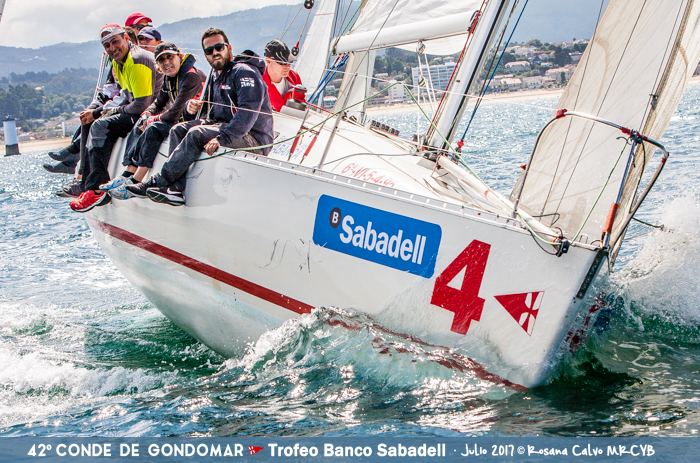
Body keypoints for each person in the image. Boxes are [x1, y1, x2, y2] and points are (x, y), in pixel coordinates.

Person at [126, 28, 273, 206]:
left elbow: (248, 112)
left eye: (219, 47)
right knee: (177, 129)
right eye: (209, 50)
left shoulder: (244, 72)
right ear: (205, 54)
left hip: (254, 138)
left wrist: (222, 138)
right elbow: (210, 114)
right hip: (225, 126)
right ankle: (175, 189)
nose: (215, 52)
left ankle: (159, 181)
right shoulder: (215, 74)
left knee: (196, 133)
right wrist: (190, 109)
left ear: (229, 48)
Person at [69, 24, 160, 212]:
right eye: (107, 45)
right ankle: (84, 182)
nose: (112, 48)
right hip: (137, 111)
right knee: (91, 122)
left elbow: (141, 105)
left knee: (100, 126)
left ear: (126, 38)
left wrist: (105, 112)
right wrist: (99, 111)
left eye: (115, 42)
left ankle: (96, 190)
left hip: (149, 113)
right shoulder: (119, 62)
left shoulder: (137, 60)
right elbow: (126, 98)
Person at [100, 42, 206, 199]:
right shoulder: (169, 77)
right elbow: (158, 103)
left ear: (179, 56)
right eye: (161, 60)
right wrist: (147, 114)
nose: (166, 62)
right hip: (180, 121)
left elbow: (174, 113)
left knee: (153, 128)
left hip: (193, 123)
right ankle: (127, 173)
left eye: (170, 57)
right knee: (141, 123)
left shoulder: (191, 76)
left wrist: (152, 119)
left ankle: (136, 181)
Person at [262, 39, 305, 111]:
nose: (288, 66)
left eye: (290, 62)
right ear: (268, 61)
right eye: (282, 63)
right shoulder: (258, 82)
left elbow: (302, 104)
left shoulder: (294, 76)